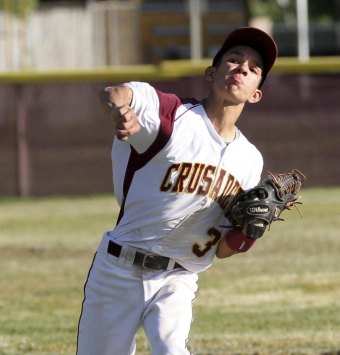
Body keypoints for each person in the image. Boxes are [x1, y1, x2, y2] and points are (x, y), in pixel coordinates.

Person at [76, 27, 278, 355]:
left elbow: (223, 249)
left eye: (254, 68)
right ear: (212, 73)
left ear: (256, 93)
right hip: (117, 271)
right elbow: (114, 93)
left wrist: (249, 234)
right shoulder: (171, 115)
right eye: (234, 59)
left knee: (172, 350)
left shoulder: (250, 161)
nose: (242, 68)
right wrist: (119, 111)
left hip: (178, 278)